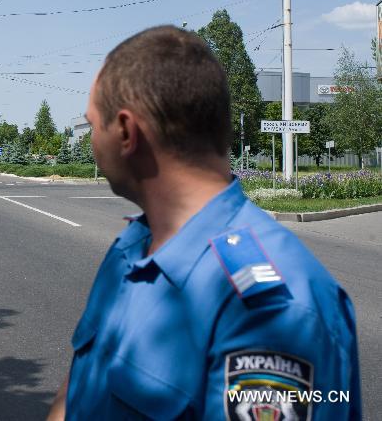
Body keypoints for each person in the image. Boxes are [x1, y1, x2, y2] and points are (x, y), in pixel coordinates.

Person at [47, 26, 361, 420]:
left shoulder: (272, 313)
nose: (92, 139)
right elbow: (78, 392)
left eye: (94, 124)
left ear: (127, 132)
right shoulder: (131, 247)